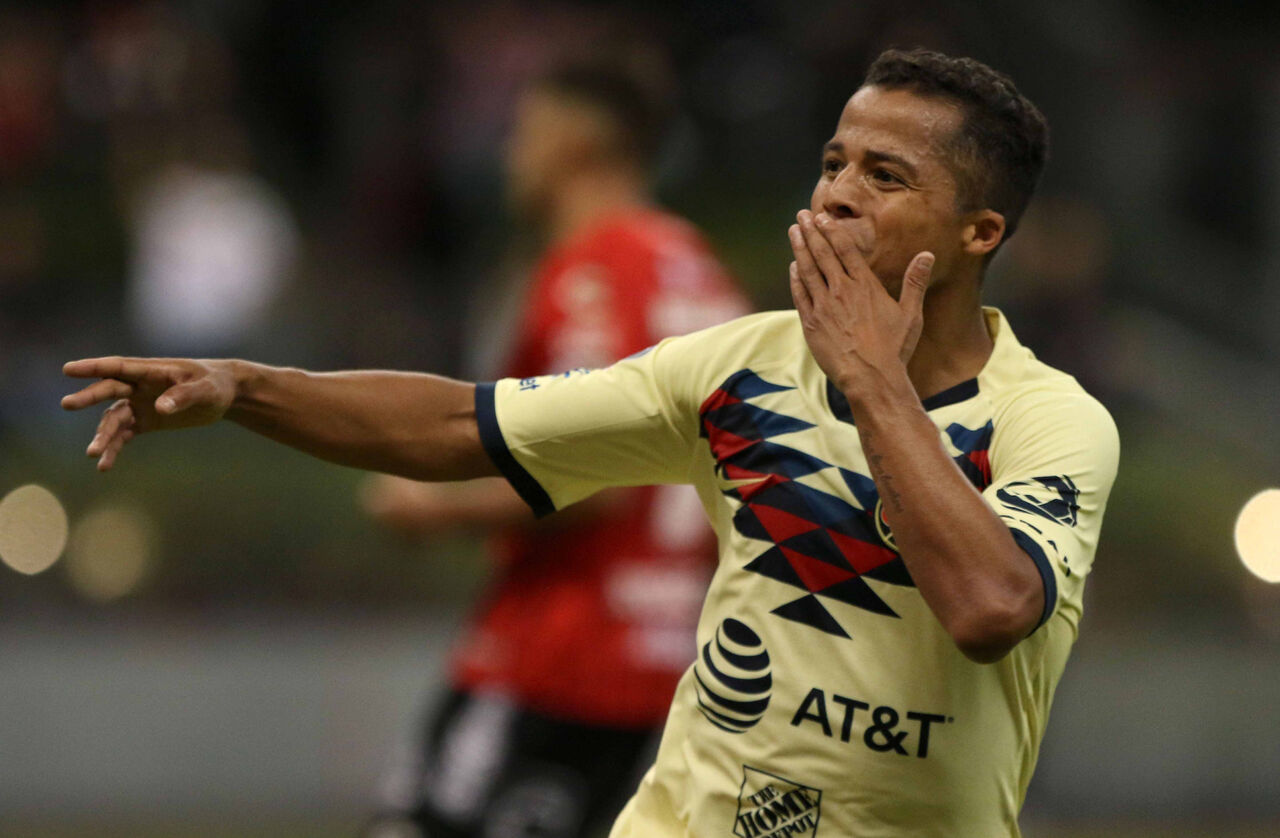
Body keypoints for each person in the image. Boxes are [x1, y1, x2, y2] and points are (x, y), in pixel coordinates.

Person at [62, 49, 1119, 837]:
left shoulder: (1052, 422)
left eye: (885, 176)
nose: (837, 192)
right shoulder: (733, 365)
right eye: (832, 162)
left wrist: (871, 380)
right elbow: (458, 422)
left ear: (980, 231)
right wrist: (245, 387)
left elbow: (988, 609)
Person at [356, 58, 749, 838]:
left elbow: (595, 476)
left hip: (555, 645)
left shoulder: (592, 272)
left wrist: (433, 507)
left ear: (575, 142)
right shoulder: (703, 276)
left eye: (523, 133)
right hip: (663, 654)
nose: (511, 156)